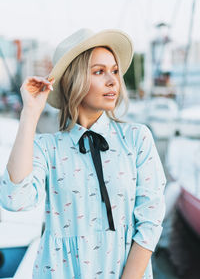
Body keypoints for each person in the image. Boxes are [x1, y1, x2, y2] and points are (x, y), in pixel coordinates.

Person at [0, 28, 166, 279]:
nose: (113, 81)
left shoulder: (136, 138)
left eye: (115, 71)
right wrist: (30, 114)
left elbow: (150, 221)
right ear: (73, 80)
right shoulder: (47, 147)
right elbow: (15, 199)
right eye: (99, 71)